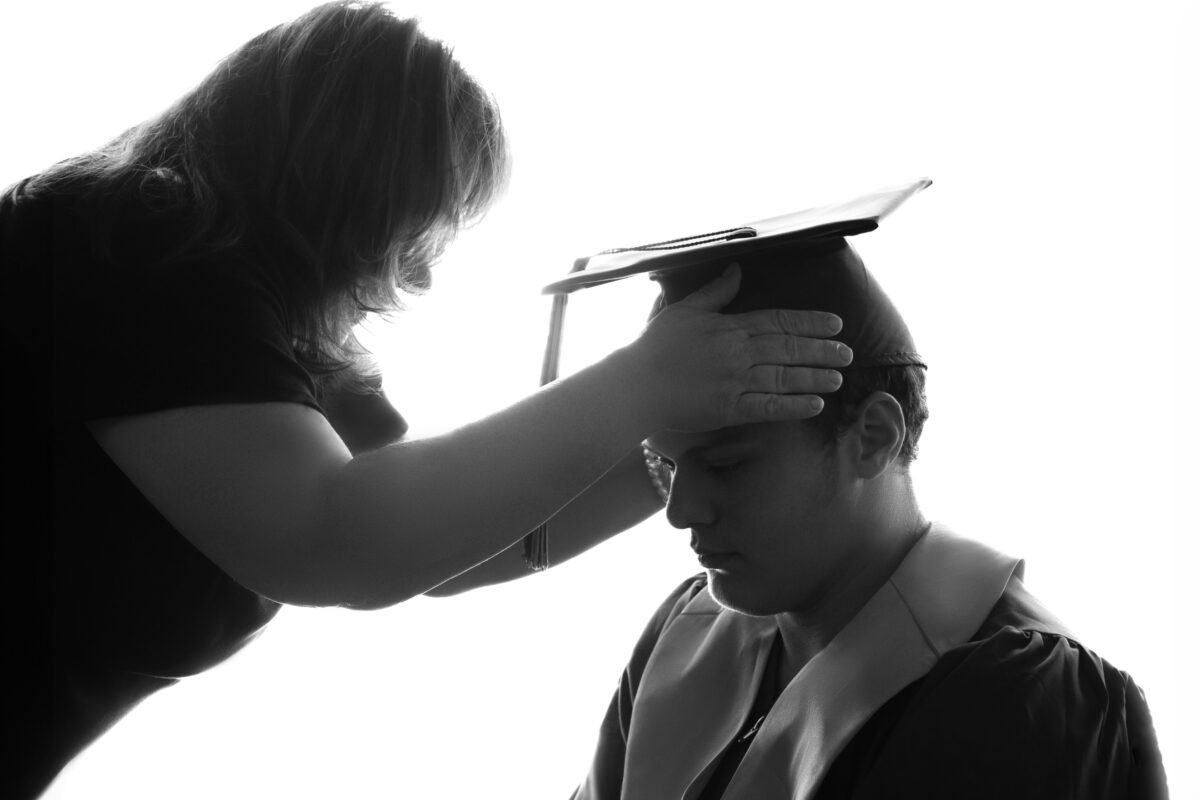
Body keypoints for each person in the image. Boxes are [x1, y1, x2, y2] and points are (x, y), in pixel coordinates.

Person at [0, 3, 853, 797]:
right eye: (420, 229)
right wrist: (646, 380)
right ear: (349, 185)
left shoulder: (289, 347)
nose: (419, 273)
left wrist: (676, 438)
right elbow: (341, 542)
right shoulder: (127, 242)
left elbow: (458, 549)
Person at [568, 222, 1170, 798]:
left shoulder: (1022, 697)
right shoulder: (682, 632)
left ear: (873, 437)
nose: (679, 511)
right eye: (666, 466)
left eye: (727, 464)